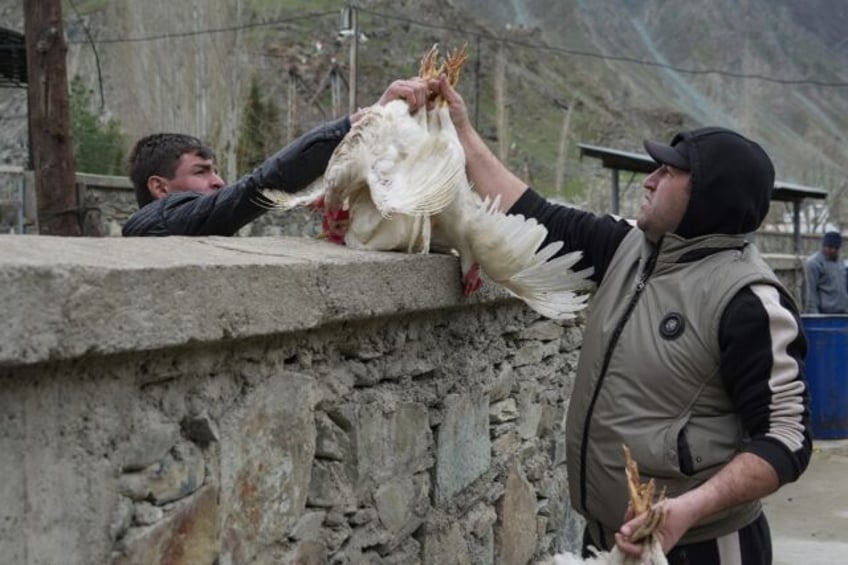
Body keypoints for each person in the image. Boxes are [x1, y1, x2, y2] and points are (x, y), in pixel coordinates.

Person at [432, 75, 811, 564]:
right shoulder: (628, 248)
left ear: (708, 197)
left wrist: (688, 509)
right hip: (612, 540)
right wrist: (459, 128)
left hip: (703, 547)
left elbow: (787, 438)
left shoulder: (749, 300)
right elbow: (531, 216)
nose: (650, 179)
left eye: (669, 172)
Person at [122, 79, 433, 236]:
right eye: (201, 171)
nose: (218, 181)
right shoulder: (156, 222)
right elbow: (257, 187)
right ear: (160, 188)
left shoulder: (184, 230)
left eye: (215, 170)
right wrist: (359, 125)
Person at [804, 231, 848, 313]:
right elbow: (810, 294)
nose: (833, 250)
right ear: (824, 246)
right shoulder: (814, 264)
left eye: (836, 248)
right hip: (825, 316)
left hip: (843, 315)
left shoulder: (841, 263)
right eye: (830, 247)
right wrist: (815, 317)